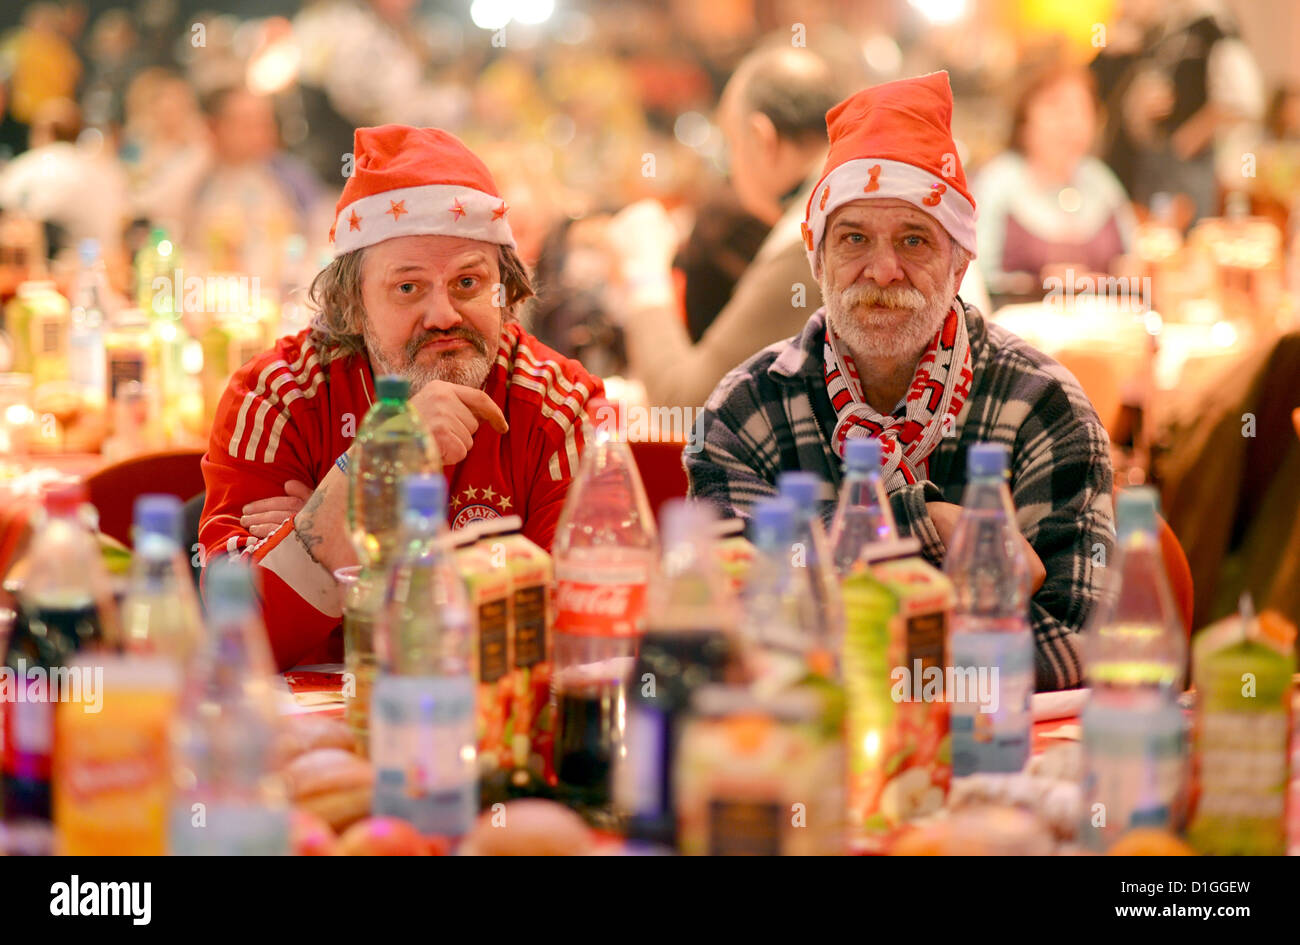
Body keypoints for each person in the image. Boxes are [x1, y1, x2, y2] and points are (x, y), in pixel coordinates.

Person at [687, 73, 1116, 692]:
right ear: (818, 258)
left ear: (961, 259)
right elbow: (731, 641)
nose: (883, 270)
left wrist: (849, 619)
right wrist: (930, 527)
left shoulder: (1043, 407)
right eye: (854, 238)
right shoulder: (745, 412)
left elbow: (1077, 647)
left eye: (914, 240)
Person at [198, 125, 603, 670]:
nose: (443, 316)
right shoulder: (278, 396)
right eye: (408, 287)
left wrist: (325, 535)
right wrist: (373, 468)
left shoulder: (563, 403)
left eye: (468, 283)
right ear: (352, 306)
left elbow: (576, 634)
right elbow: (235, 639)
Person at [601, 45, 845, 408]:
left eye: (732, 143)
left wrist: (645, 270)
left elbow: (687, 404)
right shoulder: (841, 204)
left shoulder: (808, 242)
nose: (732, 167)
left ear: (762, 138)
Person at [973, 65, 1137, 301]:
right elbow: (976, 277)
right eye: (1056, 107)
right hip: (1018, 330)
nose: (1070, 123)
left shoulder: (1100, 179)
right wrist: (1040, 284)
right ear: (1024, 119)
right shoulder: (998, 181)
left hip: (1103, 327)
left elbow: (1132, 260)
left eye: (1082, 109)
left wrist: (1113, 280)